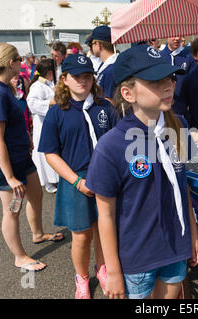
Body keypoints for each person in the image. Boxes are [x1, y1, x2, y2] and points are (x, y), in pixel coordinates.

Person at [85, 44, 198, 299]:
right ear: (128, 93)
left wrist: (192, 235)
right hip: (136, 256)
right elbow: (104, 214)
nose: (169, 85)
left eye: (170, 78)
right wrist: (112, 270)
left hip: (175, 246)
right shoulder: (111, 146)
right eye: (155, 81)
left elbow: (183, 188)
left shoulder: (179, 126)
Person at [0, 42, 64, 272]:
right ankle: (20, 257)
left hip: (21, 156)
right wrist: (10, 177)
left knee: (36, 194)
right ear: (10, 63)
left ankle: (37, 233)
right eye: (19, 59)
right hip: (7, 164)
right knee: (12, 210)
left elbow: (14, 122)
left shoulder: (5, 87)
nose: (22, 62)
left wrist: (26, 138)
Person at [38, 54, 119, 299]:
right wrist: (76, 181)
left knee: (106, 230)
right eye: (76, 76)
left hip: (106, 176)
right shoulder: (57, 112)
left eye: (87, 76)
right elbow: (50, 154)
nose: (82, 81)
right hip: (76, 178)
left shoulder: (106, 106)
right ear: (64, 79)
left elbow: (118, 142)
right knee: (82, 235)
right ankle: (81, 277)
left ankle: (102, 268)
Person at [26, 59, 59, 193]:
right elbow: (32, 103)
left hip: (53, 121)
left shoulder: (50, 83)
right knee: (45, 151)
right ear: (50, 72)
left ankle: (56, 178)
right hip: (43, 123)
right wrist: (50, 103)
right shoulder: (37, 86)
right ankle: (48, 181)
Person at [160, 37, 195, 115]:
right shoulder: (160, 57)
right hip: (164, 109)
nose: (177, 38)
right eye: (173, 35)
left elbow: (193, 83)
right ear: (167, 36)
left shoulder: (189, 56)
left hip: (185, 108)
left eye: (179, 35)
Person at [90, 25, 118, 100]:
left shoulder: (111, 69)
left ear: (98, 45)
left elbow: (109, 100)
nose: (90, 47)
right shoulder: (105, 65)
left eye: (92, 43)